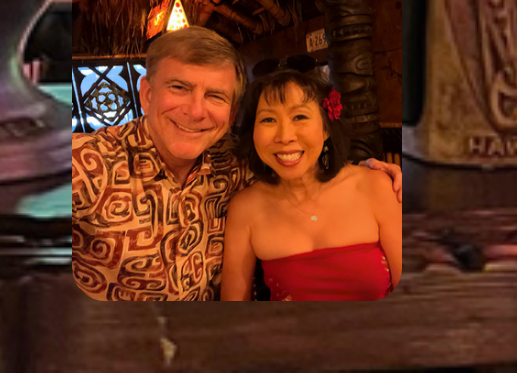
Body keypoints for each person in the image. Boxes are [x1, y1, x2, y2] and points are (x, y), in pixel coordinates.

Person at [70, 27, 401, 300]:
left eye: (215, 96)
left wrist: (369, 170)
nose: (196, 111)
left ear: (231, 114)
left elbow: (302, 162)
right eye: (179, 87)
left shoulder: (235, 163)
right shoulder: (86, 163)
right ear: (146, 94)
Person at [220, 59, 402, 300]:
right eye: (268, 120)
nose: (285, 136)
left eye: (299, 117)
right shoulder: (245, 209)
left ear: (326, 128)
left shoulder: (376, 187)